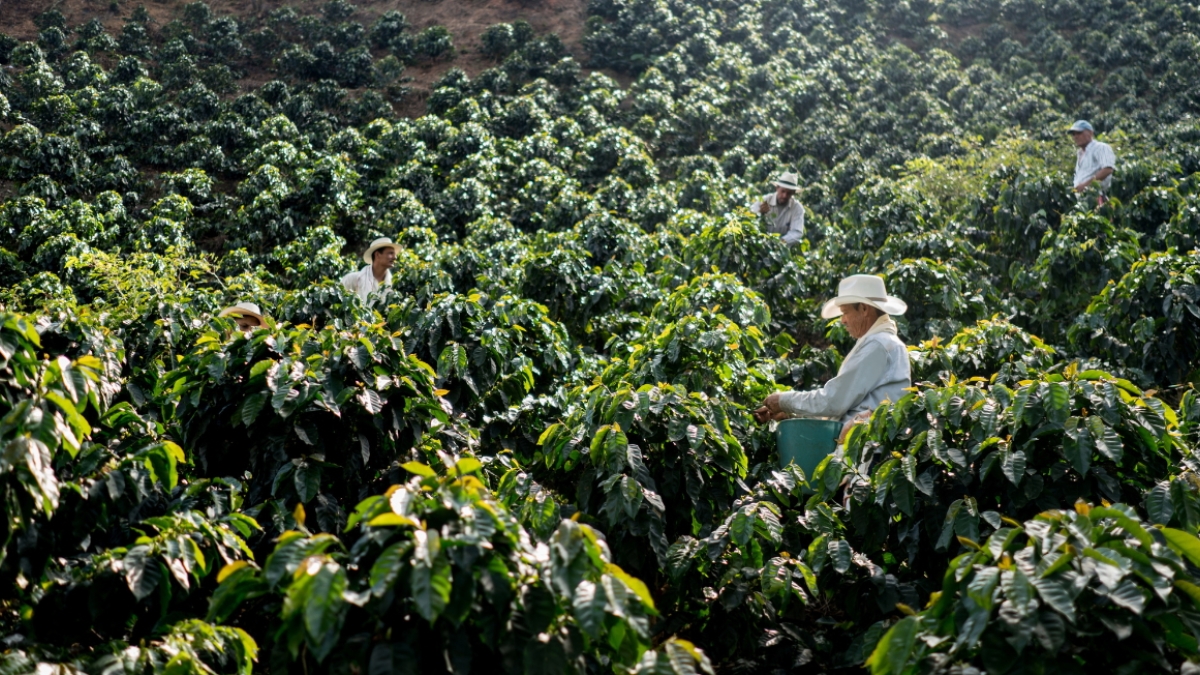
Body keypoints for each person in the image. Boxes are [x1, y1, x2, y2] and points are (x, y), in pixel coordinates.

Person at [753, 274, 911, 441]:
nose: (842, 320)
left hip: (869, 453)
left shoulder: (878, 344)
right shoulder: (880, 343)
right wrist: (790, 413)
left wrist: (784, 401)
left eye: (845, 313)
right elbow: (846, 407)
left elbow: (833, 401)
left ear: (864, 309)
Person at [1067, 120, 1116, 206]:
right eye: (1074, 134)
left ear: (1090, 133)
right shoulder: (1080, 153)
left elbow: (1108, 169)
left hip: (1094, 198)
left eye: (1079, 133)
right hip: (1081, 200)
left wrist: (1085, 185)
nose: (1075, 137)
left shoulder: (1100, 148)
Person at [754, 171, 806, 245]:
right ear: (777, 188)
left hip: (782, 251)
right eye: (783, 191)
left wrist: (780, 242)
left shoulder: (797, 208)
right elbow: (750, 217)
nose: (785, 196)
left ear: (793, 193)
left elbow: (796, 232)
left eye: (789, 193)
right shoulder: (765, 200)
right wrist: (759, 212)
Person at [341, 237, 397, 302]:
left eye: (394, 254)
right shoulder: (352, 279)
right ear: (377, 255)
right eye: (390, 253)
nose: (395, 257)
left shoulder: (394, 284)